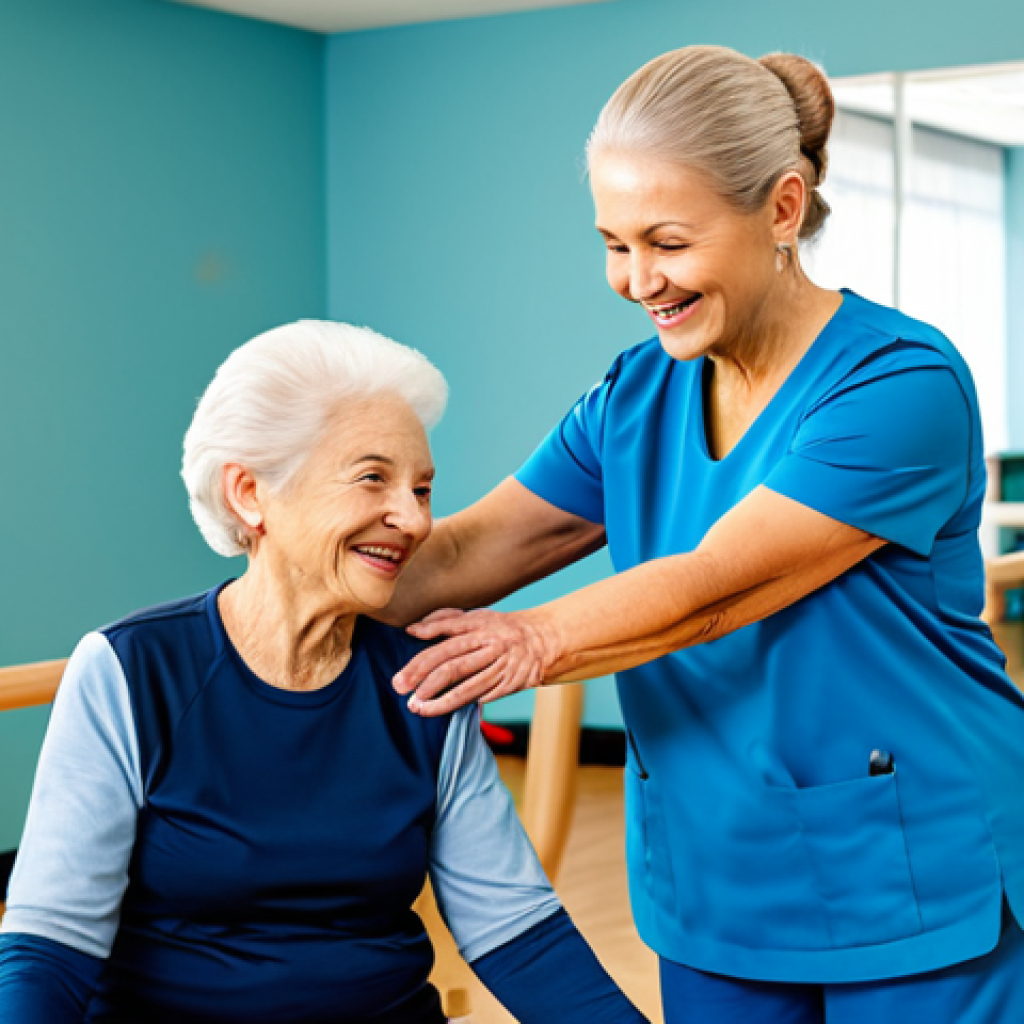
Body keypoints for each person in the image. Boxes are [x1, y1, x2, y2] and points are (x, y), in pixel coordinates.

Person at [384, 45, 1024, 1024]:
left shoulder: (898, 382)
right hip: (715, 870)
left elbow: (717, 584)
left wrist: (529, 639)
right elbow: (471, 552)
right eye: (612, 242)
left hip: (914, 863)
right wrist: (295, 583)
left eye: (666, 241)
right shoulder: (632, 395)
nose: (636, 279)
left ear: (779, 208)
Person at [0, 321, 648, 1024]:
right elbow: (50, 945)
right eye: (373, 478)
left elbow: (518, 934)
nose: (413, 519)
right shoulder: (132, 670)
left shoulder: (421, 681)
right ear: (250, 493)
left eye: (423, 489)